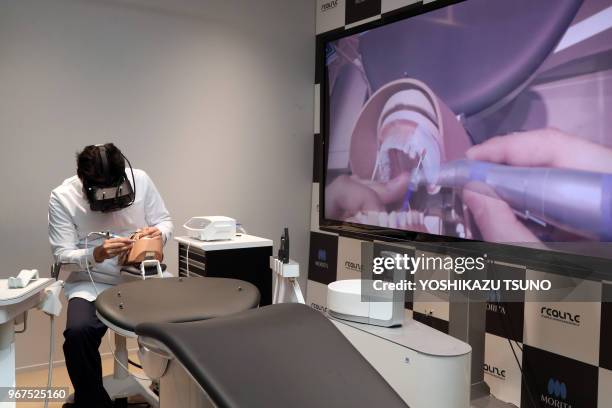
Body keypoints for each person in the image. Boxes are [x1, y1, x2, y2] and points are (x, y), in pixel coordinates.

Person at [48, 143, 173, 408]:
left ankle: (168, 387)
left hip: (141, 276)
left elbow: (164, 221)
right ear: (84, 181)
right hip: (92, 282)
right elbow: (62, 255)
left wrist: (157, 235)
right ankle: (93, 401)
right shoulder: (62, 197)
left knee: (176, 324)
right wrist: (96, 254)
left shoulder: (140, 180)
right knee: (78, 334)